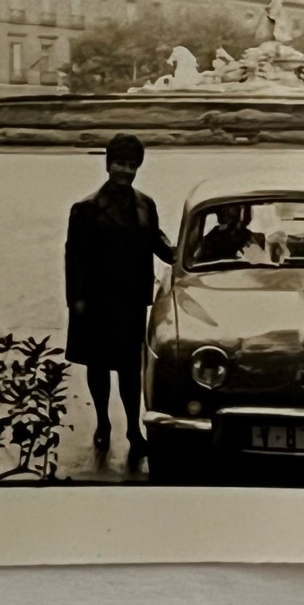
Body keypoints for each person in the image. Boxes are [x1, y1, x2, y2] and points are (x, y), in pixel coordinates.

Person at [64, 133, 175, 469]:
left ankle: (133, 430)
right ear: (108, 164)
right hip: (95, 301)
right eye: (120, 163)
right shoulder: (85, 209)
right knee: (97, 367)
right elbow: (73, 257)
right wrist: (76, 299)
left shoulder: (145, 205)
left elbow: (158, 242)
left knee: (130, 370)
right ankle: (102, 422)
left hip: (130, 301)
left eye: (132, 164)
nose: (126, 170)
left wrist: (184, 254)